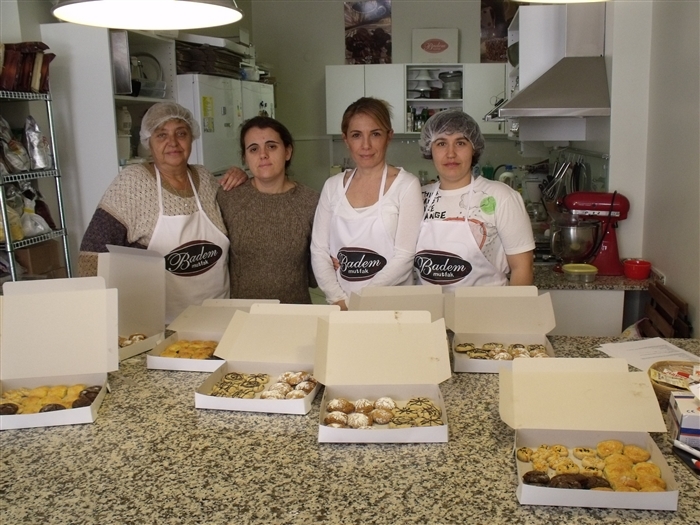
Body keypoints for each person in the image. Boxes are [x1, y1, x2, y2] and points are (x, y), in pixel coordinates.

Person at [78, 101, 230, 323]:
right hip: (160, 325)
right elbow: (92, 254)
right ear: (148, 141)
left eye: (181, 133)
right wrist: (97, 317)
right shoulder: (133, 182)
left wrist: (240, 176)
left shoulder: (205, 178)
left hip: (220, 315)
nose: (173, 142)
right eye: (161, 135)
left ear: (192, 137)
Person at [311, 97, 423, 310]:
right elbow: (319, 250)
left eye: (375, 134)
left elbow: (404, 257)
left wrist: (360, 301)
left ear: (389, 136)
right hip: (341, 307)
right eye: (356, 135)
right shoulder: (332, 187)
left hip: (392, 308)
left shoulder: (406, 185)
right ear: (346, 139)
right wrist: (338, 300)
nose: (366, 145)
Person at [414, 109, 534, 288]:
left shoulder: (501, 197)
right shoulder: (416, 197)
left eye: (460, 143)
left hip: (487, 305)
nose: (451, 153)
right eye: (441, 143)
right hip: (429, 305)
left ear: (474, 149)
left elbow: (522, 268)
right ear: (429, 150)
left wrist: (511, 307)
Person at [217, 116, 319, 303]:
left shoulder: (311, 202)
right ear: (245, 158)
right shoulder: (228, 198)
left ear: (287, 152)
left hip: (295, 311)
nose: (263, 154)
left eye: (271, 146)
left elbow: (317, 271)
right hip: (242, 312)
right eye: (253, 149)